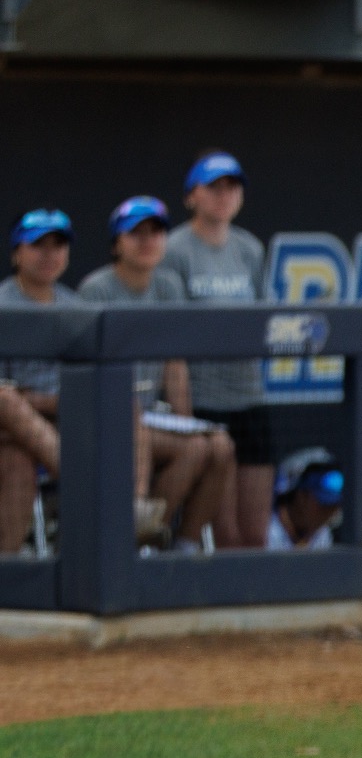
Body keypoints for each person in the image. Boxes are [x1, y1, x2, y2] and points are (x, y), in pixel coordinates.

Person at [79, 195, 234, 551]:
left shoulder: (168, 286)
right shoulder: (97, 289)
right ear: (117, 243)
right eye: (137, 234)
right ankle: (132, 536)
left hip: (152, 418)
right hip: (108, 418)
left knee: (218, 447)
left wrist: (187, 420)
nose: (148, 241)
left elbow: (174, 364)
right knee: (193, 450)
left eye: (156, 232)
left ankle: (183, 545)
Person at [161, 150, 271, 549]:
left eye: (232, 187)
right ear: (192, 196)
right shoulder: (174, 250)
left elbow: (263, 320)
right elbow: (171, 338)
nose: (224, 195)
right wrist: (184, 412)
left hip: (250, 397)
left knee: (255, 532)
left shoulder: (250, 249)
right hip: (206, 401)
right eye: (214, 187)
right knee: (225, 533)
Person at [0, 210, 78, 554]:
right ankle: (82, 482)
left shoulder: (76, 307)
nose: (49, 254)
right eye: (37, 245)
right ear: (17, 252)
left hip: (60, 424)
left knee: (19, 463)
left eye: (57, 245)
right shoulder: (3, 303)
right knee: (6, 400)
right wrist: (51, 401)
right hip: (11, 420)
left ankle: (8, 569)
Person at [266, 447, 343, 550]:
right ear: (301, 496)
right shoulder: (268, 531)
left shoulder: (322, 534)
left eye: (333, 505)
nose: (329, 512)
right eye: (324, 504)